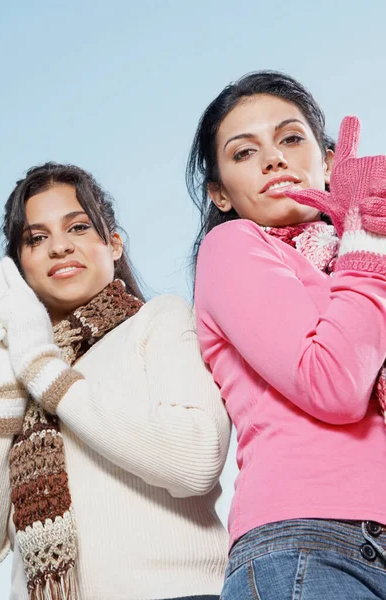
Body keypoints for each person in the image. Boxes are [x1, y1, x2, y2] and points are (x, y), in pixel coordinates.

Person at [0, 162, 231, 600]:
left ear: (113, 244)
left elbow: (196, 460)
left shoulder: (159, 320)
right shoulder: (18, 379)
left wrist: (47, 373)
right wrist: (4, 392)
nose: (59, 247)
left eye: (78, 227)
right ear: (20, 267)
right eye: (36, 238)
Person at [186, 70, 386, 599]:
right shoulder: (233, 248)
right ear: (220, 193)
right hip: (308, 543)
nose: (274, 159)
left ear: (327, 161)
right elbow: (333, 384)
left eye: (291, 138)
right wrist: (367, 251)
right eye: (244, 153)